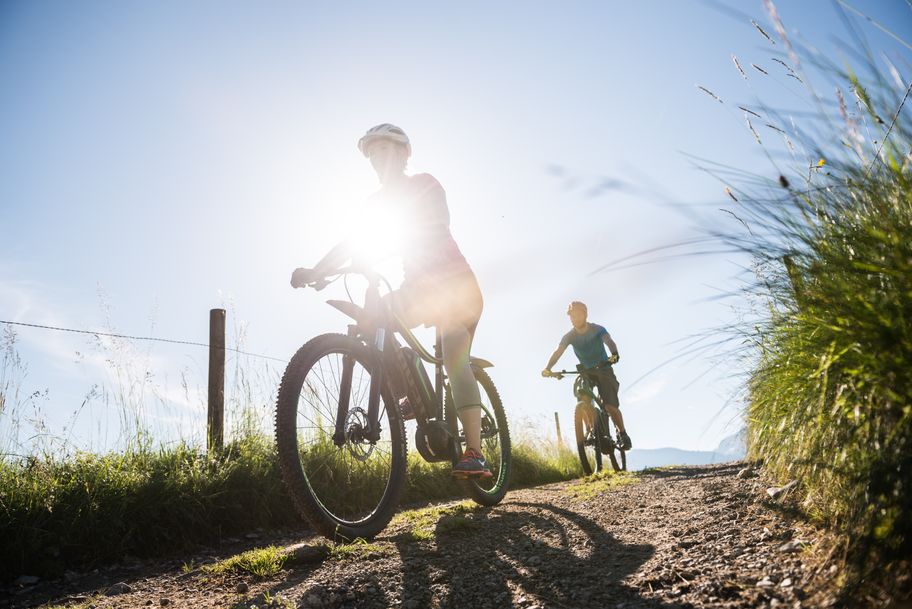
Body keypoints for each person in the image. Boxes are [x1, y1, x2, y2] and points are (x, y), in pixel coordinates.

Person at [290, 123, 491, 478]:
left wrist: (391, 243)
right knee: (373, 318)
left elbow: (434, 223)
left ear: (404, 154)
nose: (376, 159)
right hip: (417, 291)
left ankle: (474, 450)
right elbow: (352, 242)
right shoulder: (374, 203)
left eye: (383, 151)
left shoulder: (425, 184)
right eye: (371, 154)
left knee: (454, 352)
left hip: (455, 286)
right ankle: (409, 386)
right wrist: (317, 270)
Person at [541, 301, 633, 450]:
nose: (575, 318)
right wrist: (548, 368)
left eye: (578, 314)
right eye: (572, 316)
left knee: (609, 405)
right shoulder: (569, 336)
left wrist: (614, 354)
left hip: (604, 369)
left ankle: (623, 434)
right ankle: (590, 429)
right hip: (586, 372)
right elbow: (558, 352)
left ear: (585, 314)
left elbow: (608, 341)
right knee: (582, 397)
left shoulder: (597, 329)